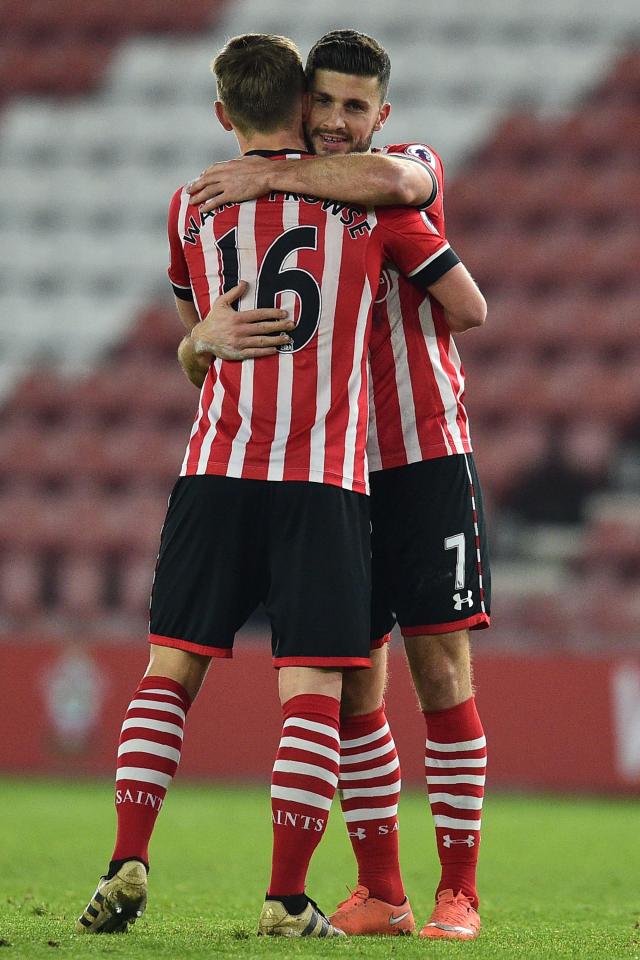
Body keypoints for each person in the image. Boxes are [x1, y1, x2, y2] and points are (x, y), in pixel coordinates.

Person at [76, 32, 482, 939]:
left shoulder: (203, 201)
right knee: (331, 687)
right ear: (299, 108)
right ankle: (338, 891)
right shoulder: (367, 218)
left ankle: (130, 855)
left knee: (175, 668)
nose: (337, 122)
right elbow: (467, 305)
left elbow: (195, 338)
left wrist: (258, 186)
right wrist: (201, 342)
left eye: (354, 108)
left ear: (383, 116)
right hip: (327, 478)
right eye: (324, 106)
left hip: (300, 463)